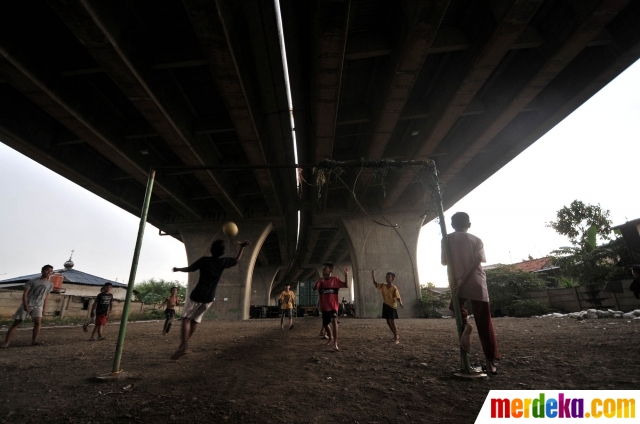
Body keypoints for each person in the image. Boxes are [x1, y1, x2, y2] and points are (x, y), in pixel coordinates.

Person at [171, 239, 250, 360]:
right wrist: (242, 247)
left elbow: (190, 269)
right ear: (222, 252)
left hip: (197, 295)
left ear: (211, 250)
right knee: (195, 320)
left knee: (186, 319)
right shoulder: (223, 262)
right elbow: (236, 260)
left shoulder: (204, 260)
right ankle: (183, 346)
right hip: (209, 298)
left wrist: (177, 269)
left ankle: (184, 346)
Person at [442, 212, 500, 374]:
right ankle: (490, 364)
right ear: (469, 224)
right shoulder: (476, 240)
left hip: (457, 283)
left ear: (453, 225)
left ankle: (466, 325)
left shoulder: (446, 240)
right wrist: (465, 278)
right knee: (485, 323)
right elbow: (477, 261)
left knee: (456, 307)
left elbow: (445, 262)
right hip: (476, 281)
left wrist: (459, 280)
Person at [2, 265, 54, 347]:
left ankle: (34, 341)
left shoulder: (50, 284)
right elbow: (25, 293)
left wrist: (44, 307)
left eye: (51, 271)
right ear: (42, 271)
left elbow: (47, 296)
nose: (49, 272)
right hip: (28, 304)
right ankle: (6, 342)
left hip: (38, 306)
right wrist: (25, 304)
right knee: (17, 322)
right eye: (47, 270)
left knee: (38, 322)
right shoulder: (33, 281)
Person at [314, 262, 348, 351]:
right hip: (324, 306)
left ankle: (335, 343)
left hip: (333, 306)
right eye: (322, 269)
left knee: (334, 321)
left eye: (325, 269)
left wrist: (346, 275)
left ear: (331, 270)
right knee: (325, 324)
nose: (323, 271)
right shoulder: (321, 281)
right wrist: (318, 281)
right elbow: (314, 288)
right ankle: (330, 337)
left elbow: (346, 285)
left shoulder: (335, 280)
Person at [371, 270, 404, 344]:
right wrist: (373, 275)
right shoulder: (383, 286)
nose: (387, 278)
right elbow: (375, 283)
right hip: (386, 304)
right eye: (386, 277)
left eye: (388, 277)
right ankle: (396, 335)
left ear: (392, 279)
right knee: (388, 322)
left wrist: (401, 303)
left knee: (392, 322)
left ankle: (396, 339)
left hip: (392, 306)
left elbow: (398, 297)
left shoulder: (394, 288)